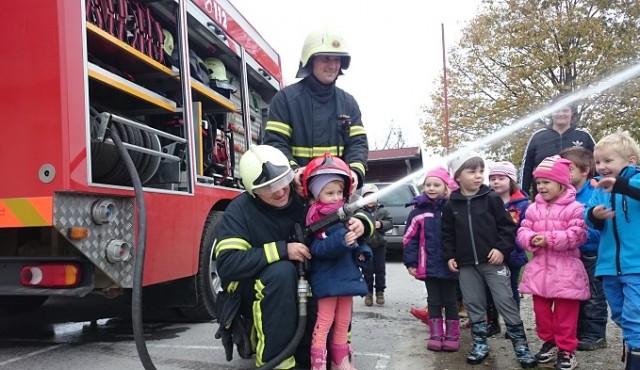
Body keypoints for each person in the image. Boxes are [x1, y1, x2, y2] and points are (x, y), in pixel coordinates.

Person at [214, 144, 311, 369]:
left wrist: (363, 224)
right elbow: (228, 264)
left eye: (281, 182)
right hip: (255, 288)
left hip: (301, 282)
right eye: (268, 188)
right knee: (281, 273)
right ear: (252, 192)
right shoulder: (239, 211)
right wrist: (282, 250)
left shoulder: (301, 197)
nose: (279, 191)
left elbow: (342, 201)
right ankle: (276, 362)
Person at [442, 152, 537, 368]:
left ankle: (521, 346)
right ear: (457, 177)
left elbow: (507, 228)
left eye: (481, 171)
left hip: (493, 262)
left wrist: (501, 250)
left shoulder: (491, 198)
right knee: (474, 304)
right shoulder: (451, 205)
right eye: (472, 171)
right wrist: (450, 256)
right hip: (466, 265)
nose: (478, 176)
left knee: (506, 301)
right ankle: (480, 343)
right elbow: (447, 234)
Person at [263, 27, 368, 195]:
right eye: (326, 58)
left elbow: (358, 144)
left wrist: (354, 171)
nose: (333, 65)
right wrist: (294, 170)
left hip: (336, 196)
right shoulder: (285, 99)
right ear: (310, 61)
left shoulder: (348, 103)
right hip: (295, 194)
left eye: (337, 59)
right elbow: (275, 143)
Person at [302, 153, 373, 370]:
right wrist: (342, 240)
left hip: (347, 278)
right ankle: (318, 363)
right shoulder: (316, 221)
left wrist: (362, 250)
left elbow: (356, 238)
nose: (335, 197)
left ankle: (340, 361)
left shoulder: (345, 216)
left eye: (339, 192)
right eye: (329, 193)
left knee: (343, 322)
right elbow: (318, 249)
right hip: (328, 281)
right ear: (316, 195)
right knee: (324, 323)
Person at [517, 155, 589, 370]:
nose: (541, 187)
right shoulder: (532, 209)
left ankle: (566, 349)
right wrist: (530, 239)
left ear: (561, 183)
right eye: (538, 182)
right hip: (540, 270)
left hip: (566, 270)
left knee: (566, 316)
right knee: (542, 314)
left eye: (546, 182)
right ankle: (549, 341)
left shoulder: (575, 207)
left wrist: (549, 239)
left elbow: (578, 234)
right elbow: (522, 230)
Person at [584, 131, 640, 369]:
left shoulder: (635, 182)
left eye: (608, 160)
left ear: (631, 161)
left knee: (634, 317)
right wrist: (594, 215)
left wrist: (622, 185)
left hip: (636, 265)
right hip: (608, 265)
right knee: (618, 314)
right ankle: (633, 344)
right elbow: (588, 214)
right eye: (598, 162)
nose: (602, 166)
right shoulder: (599, 189)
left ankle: (635, 358)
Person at [403, 167, 460, 352]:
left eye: (436, 184)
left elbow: (461, 234)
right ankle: (436, 335)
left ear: (446, 187)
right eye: (428, 184)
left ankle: (452, 335)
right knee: (433, 300)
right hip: (428, 264)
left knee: (451, 300)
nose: (431, 188)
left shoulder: (453, 208)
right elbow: (409, 238)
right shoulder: (418, 211)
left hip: (451, 264)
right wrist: (411, 262)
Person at [560, 147, 608, 351]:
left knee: (595, 295)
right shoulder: (562, 195)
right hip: (571, 254)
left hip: (591, 252)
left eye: (569, 168)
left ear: (585, 170)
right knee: (575, 293)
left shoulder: (595, 193)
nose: (564, 173)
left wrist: (575, 234)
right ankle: (579, 330)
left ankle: (595, 334)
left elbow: (599, 228)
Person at [485, 161, 530, 338]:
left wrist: (514, 246)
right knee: (489, 289)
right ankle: (492, 322)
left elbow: (525, 229)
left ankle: (513, 324)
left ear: (511, 180)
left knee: (510, 291)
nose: (496, 182)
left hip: (513, 255)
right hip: (491, 255)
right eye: (492, 178)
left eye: (501, 178)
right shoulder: (486, 201)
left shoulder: (522, 204)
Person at [520, 94, 596, 197]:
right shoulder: (537, 136)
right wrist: (523, 196)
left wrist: (598, 189)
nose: (561, 114)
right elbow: (526, 168)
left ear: (572, 112)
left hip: (578, 196)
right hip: (544, 198)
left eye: (565, 110)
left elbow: (596, 163)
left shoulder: (584, 135)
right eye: (557, 110)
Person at [360, 184, 393, 307]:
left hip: (379, 245)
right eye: (367, 197)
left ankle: (380, 291)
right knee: (367, 271)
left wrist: (382, 224)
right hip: (366, 246)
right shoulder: (360, 211)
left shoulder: (382, 210)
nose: (370, 200)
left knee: (380, 270)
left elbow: (390, 222)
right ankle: (368, 293)